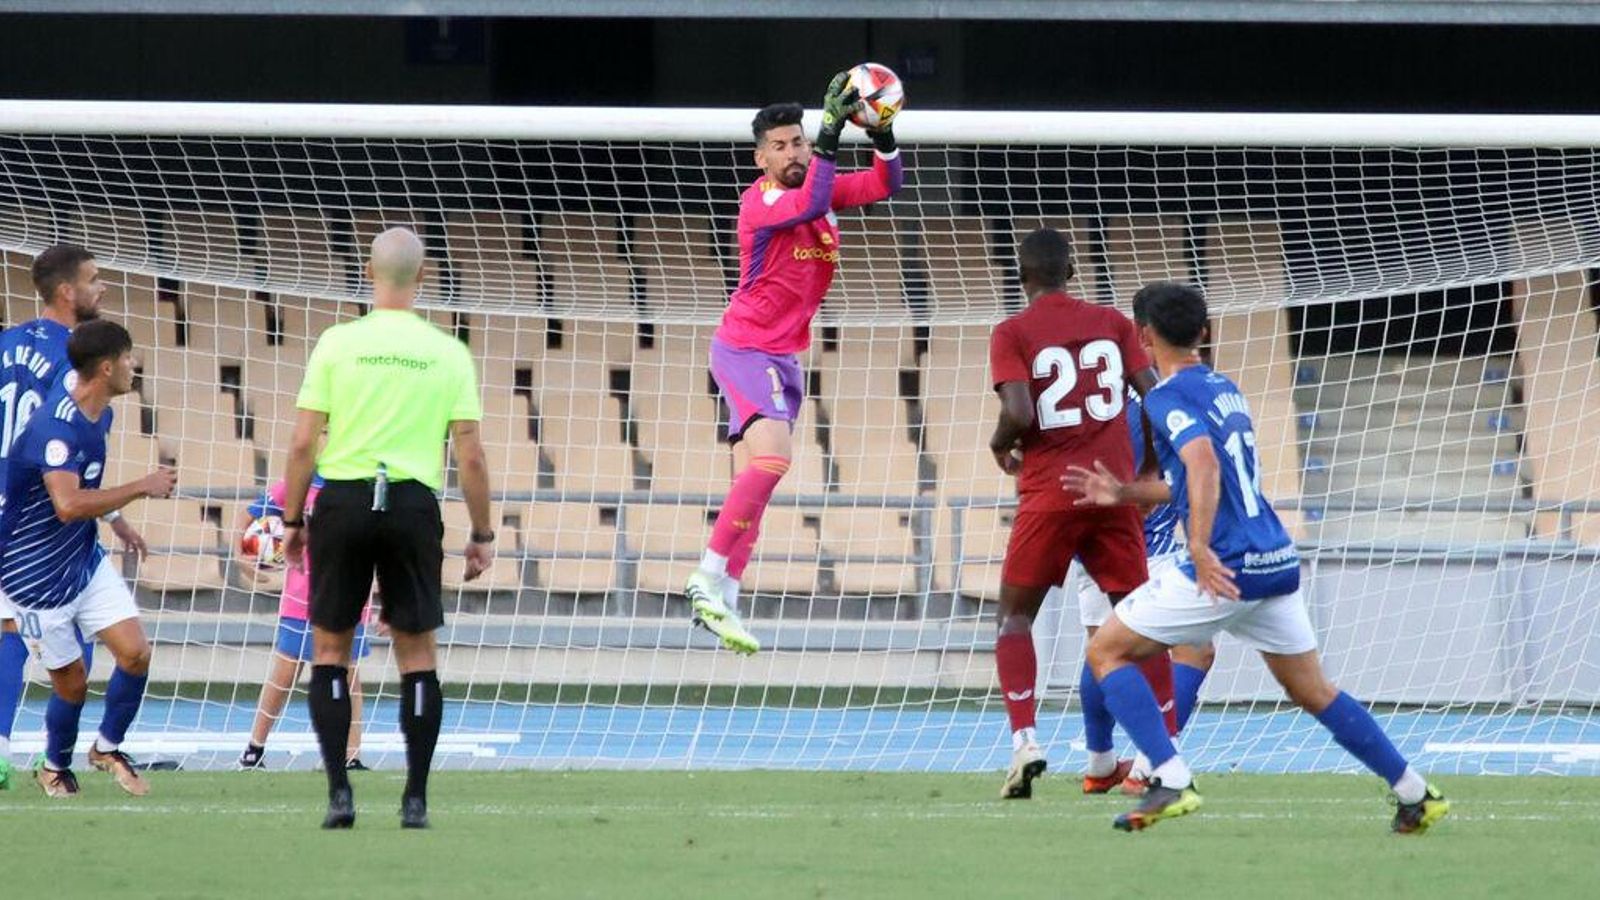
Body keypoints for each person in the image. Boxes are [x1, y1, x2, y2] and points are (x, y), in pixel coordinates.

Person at [1065, 280, 1451, 833]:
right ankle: (1415, 792)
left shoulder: (1163, 397)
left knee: (1107, 650)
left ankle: (1169, 777)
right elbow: (1194, 474)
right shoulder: (1226, 388)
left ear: (1144, 336)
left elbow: (1202, 466)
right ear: (1204, 332)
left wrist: (1197, 547)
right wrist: (1126, 494)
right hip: (1273, 557)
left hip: (1226, 563)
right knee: (1311, 690)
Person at [683, 72, 903, 655]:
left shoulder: (819, 192)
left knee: (751, 486)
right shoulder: (760, 203)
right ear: (761, 158)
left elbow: (888, 183)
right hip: (744, 347)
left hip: (784, 357)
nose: (792, 152)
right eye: (780, 146)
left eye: (799, 141)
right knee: (775, 459)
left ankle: (725, 593)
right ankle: (705, 575)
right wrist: (832, 132)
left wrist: (882, 132)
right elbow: (807, 200)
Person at [281, 226, 493, 829]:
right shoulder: (449, 351)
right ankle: (415, 799)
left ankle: (339, 794)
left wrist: (294, 518)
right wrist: (482, 532)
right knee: (417, 654)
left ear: (369, 275)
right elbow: (471, 455)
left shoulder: (337, 343)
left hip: (344, 501)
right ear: (423, 278)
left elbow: (302, 442)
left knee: (329, 649)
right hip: (411, 505)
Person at [985, 227, 1172, 800]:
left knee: (1015, 618)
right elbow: (1154, 393)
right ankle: (1160, 753)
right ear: (1072, 272)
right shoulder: (1114, 323)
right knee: (1139, 622)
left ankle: (1026, 741)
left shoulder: (1012, 331)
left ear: (1022, 277)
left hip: (1048, 493)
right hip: (1110, 493)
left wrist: (1000, 444)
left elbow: (1019, 409)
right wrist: (1146, 474)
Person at [0, 320, 175, 797]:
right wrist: (142, 486)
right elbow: (69, 504)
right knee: (72, 684)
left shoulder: (103, 414)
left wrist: (116, 518)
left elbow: (87, 491)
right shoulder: (55, 428)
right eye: (127, 357)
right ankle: (55, 766)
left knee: (136, 653)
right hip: (31, 573)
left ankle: (106, 748)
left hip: (82, 558)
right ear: (106, 366)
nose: (133, 365)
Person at [1070, 385, 1216, 796]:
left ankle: (1100, 764)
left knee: (1102, 648)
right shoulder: (1163, 401)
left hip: (1095, 545)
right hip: (1147, 553)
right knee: (1195, 650)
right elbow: (1189, 476)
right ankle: (1152, 763)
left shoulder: (1097, 399)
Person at [234, 474, 375, 771]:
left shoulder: (367, 480)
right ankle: (254, 749)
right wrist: (241, 555)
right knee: (286, 670)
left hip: (351, 589)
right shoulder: (302, 479)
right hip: (303, 595)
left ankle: (351, 756)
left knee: (349, 674)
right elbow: (249, 515)